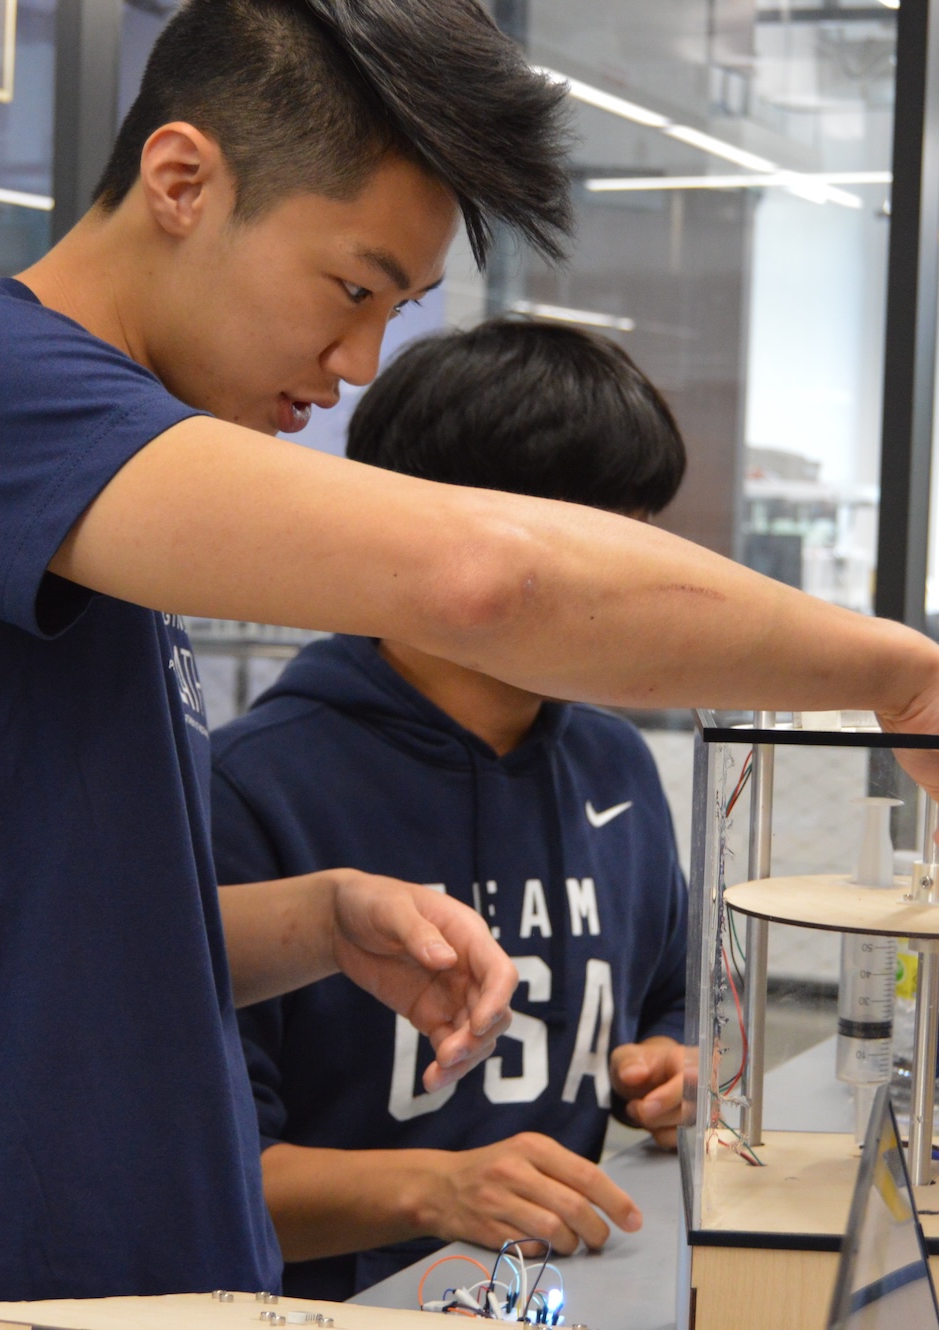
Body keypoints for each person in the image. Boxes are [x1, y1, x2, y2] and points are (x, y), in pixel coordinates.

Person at [0, 0, 939, 1324]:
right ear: (182, 178)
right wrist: (909, 676)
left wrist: (322, 920)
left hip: (174, 1282)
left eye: (396, 310)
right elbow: (484, 578)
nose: (353, 368)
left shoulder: (83, 513)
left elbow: (14, 947)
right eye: (352, 288)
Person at [214, 321, 696, 1300]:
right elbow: (205, 1180)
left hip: (568, 1295)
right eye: (597, 547)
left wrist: (675, 1069)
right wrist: (431, 1189)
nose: (629, 590)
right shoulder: (250, 791)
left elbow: (670, 1001)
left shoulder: (613, 764)